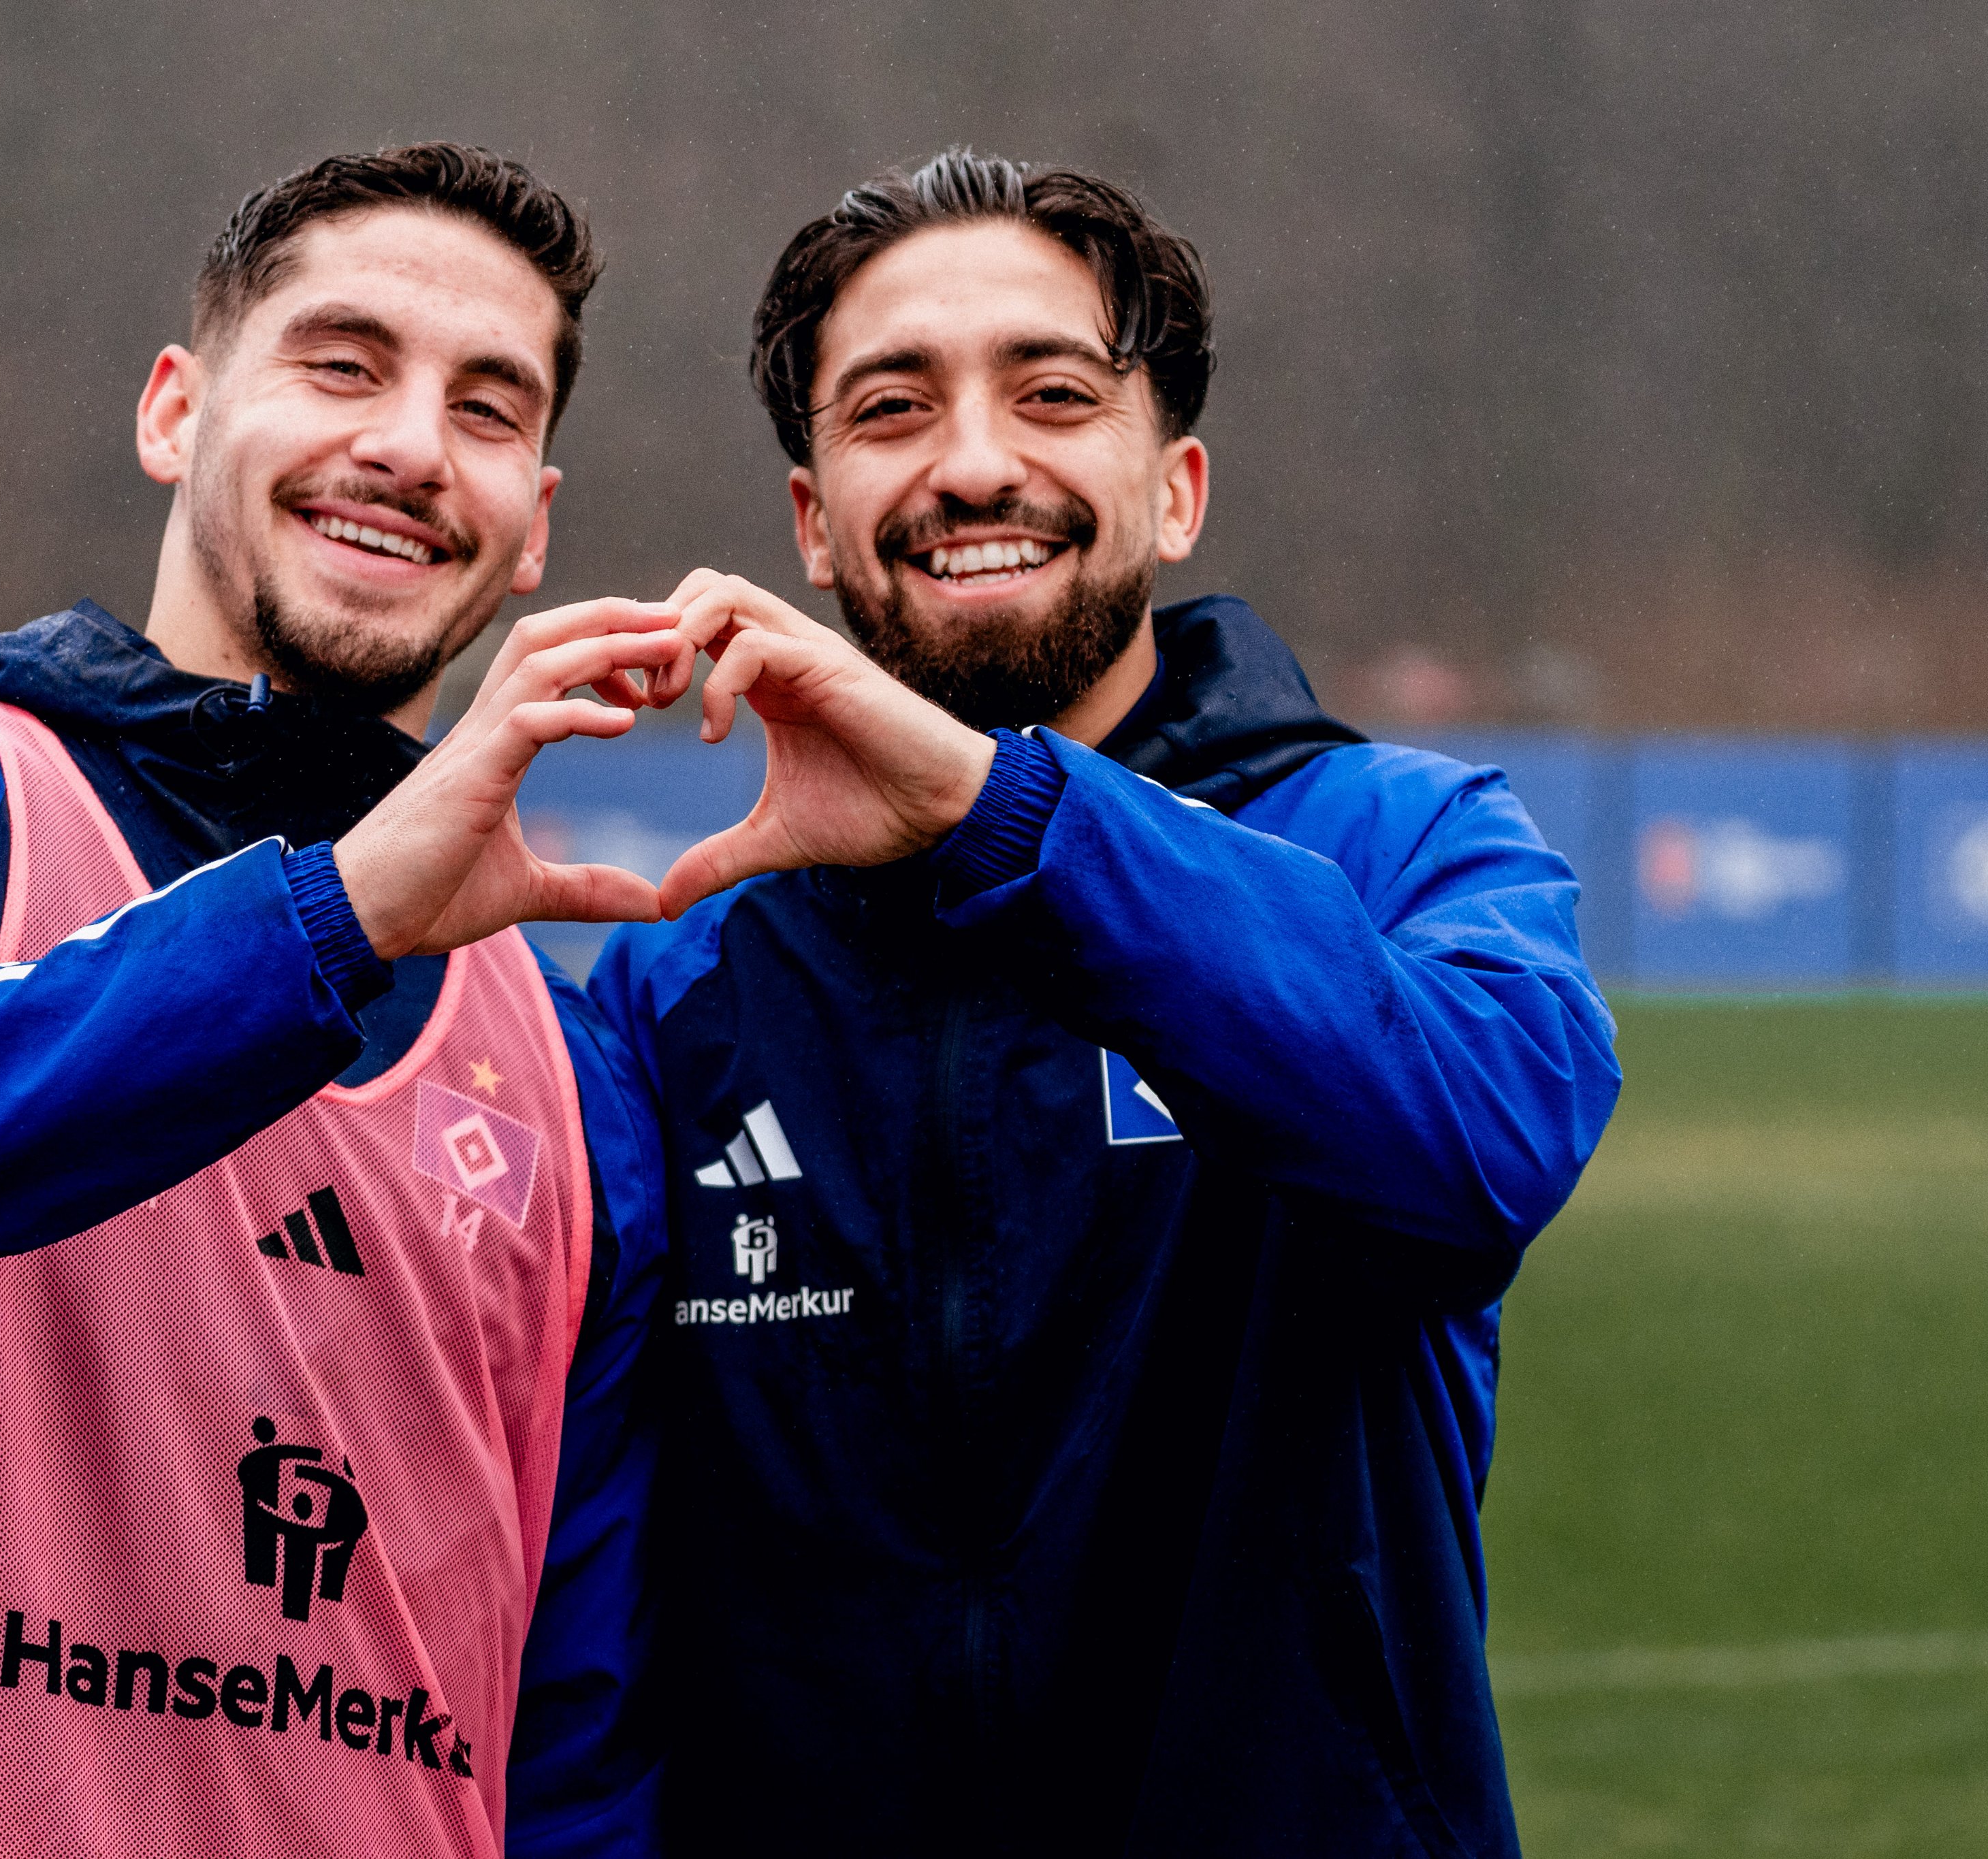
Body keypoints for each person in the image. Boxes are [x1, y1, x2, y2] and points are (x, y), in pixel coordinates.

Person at [0, 145, 679, 1859]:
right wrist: (330, 919)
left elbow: (572, 1730)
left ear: (530, 533)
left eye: (485, 408)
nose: (410, 444)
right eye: (341, 365)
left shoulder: (569, 1070)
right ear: (174, 412)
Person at [593, 152, 1622, 1854]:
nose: (974, 463)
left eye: (1053, 394)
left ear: (1175, 488)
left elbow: (1476, 1154)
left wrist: (1009, 825)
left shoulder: (1403, 842)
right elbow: (575, 1580)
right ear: (809, 520)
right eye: (891, 410)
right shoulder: (670, 987)